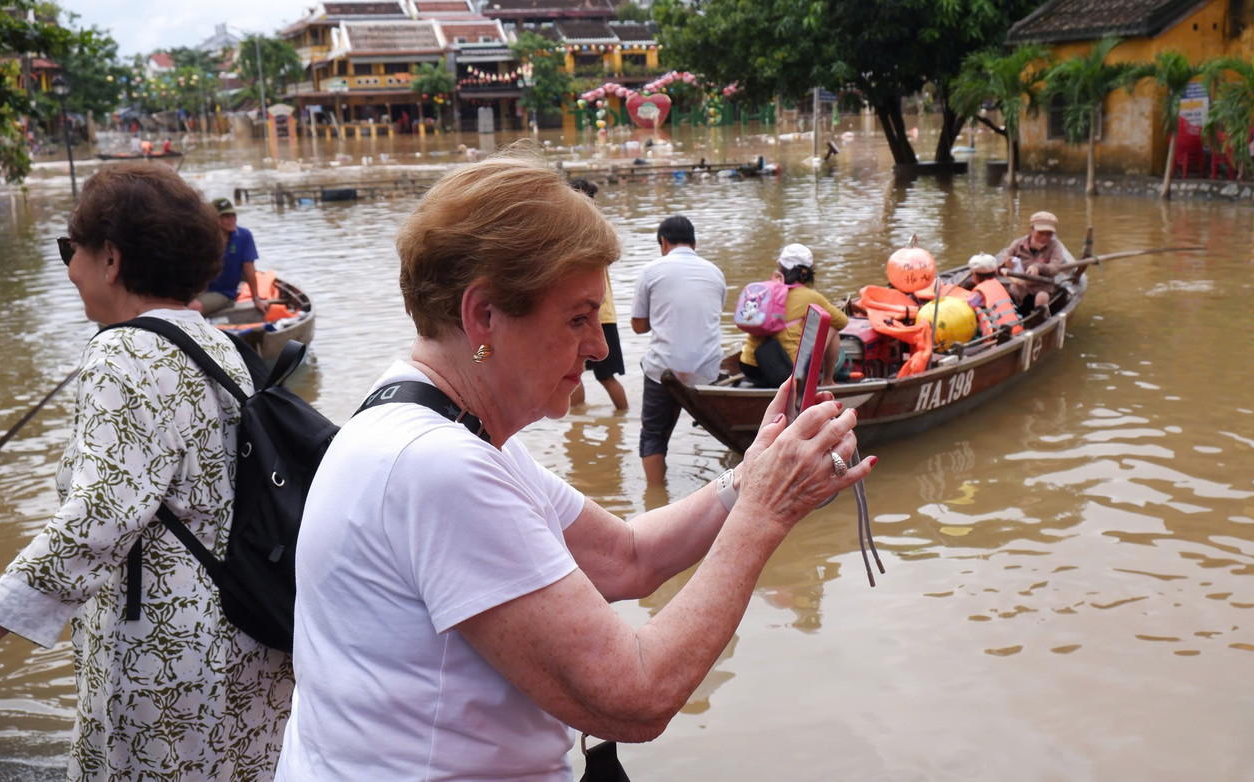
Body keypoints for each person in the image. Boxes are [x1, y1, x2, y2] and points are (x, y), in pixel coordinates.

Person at [274, 151, 875, 780]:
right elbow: (634, 697)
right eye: (578, 318)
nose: (596, 346)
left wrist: (749, 476)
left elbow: (627, 558)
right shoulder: (440, 468)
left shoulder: (426, 420)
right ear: (484, 315)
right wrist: (764, 513)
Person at [0, 163, 294, 779]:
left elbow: (104, 510)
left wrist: (6, 611)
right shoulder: (219, 347)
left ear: (110, 259)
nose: (71, 269)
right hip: (245, 637)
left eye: (68, 251)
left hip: (162, 656)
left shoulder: (122, 349)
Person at [630, 215, 727, 484]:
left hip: (663, 370)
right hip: (706, 372)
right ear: (694, 243)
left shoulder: (651, 270)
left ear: (663, 242)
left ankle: (656, 496)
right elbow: (710, 316)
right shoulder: (715, 272)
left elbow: (638, 326)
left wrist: (661, 316)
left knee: (652, 435)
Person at [738, 243, 849, 389]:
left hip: (748, 366)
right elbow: (842, 321)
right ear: (808, 272)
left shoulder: (765, 291)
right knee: (832, 329)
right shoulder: (811, 296)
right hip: (782, 370)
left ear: (779, 266)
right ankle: (827, 381)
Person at [567, 177, 628, 410]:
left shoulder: (585, 232)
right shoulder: (600, 229)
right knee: (579, 375)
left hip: (595, 315)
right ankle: (614, 424)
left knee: (591, 375)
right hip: (599, 314)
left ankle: (616, 421)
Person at [193, 197, 269, 316]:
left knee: (193, 308)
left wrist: (256, 299)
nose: (232, 219)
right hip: (199, 290)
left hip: (223, 293)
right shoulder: (204, 237)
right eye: (226, 216)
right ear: (215, 219)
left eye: (233, 215)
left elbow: (249, 269)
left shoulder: (244, 236)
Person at [994, 210, 1075, 315]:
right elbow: (1004, 258)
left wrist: (1038, 267)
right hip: (1019, 288)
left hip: (1042, 287)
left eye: (1049, 234)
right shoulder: (1018, 244)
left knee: (1041, 299)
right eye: (1040, 233)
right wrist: (1006, 263)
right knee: (1003, 299)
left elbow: (1055, 267)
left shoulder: (1055, 246)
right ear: (1031, 230)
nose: (1044, 237)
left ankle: (1041, 319)